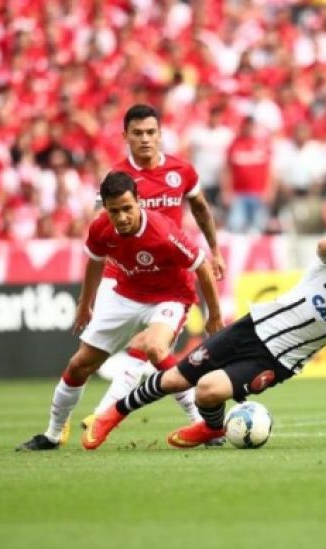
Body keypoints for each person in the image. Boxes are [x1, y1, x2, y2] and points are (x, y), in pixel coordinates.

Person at [80, 230, 326, 451]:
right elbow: (324, 245)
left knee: (207, 391)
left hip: (277, 360)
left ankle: (212, 427)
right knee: (174, 379)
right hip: (251, 327)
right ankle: (112, 415)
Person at [16, 171, 222, 451]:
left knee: (155, 348)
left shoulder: (163, 232)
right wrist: (85, 303)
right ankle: (52, 435)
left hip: (170, 297)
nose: (122, 217)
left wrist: (215, 317)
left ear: (139, 202)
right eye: (114, 211)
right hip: (125, 295)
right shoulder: (100, 228)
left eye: (127, 208)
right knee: (79, 365)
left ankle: (202, 423)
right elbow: (95, 262)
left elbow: (203, 268)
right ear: (106, 209)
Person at [90, 104, 226, 430]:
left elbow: (201, 209)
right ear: (125, 136)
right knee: (94, 353)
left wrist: (215, 250)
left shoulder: (182, 171)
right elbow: (99, 223)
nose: (145, 139)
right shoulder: (117, 178)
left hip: (168, 280)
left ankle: (105, 412)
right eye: (137, 133)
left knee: (152, 347)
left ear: (161, 134)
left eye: (151, 132)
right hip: (123, 275)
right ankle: (96, 412)